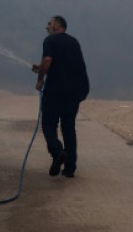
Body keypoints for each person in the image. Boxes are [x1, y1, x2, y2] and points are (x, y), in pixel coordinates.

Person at [32, 15, 90, 178]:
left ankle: (58, 152)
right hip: (76, 91)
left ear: (57, 26)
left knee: (49, 124)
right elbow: (65, 64)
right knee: (68, 127)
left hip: (56, 91)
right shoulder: (74, 42)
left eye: (49, 24)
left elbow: (48, 60)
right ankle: (70, 168)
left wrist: (40, 79)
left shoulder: (50, 41)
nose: (46, 27)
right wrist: (42, 68)